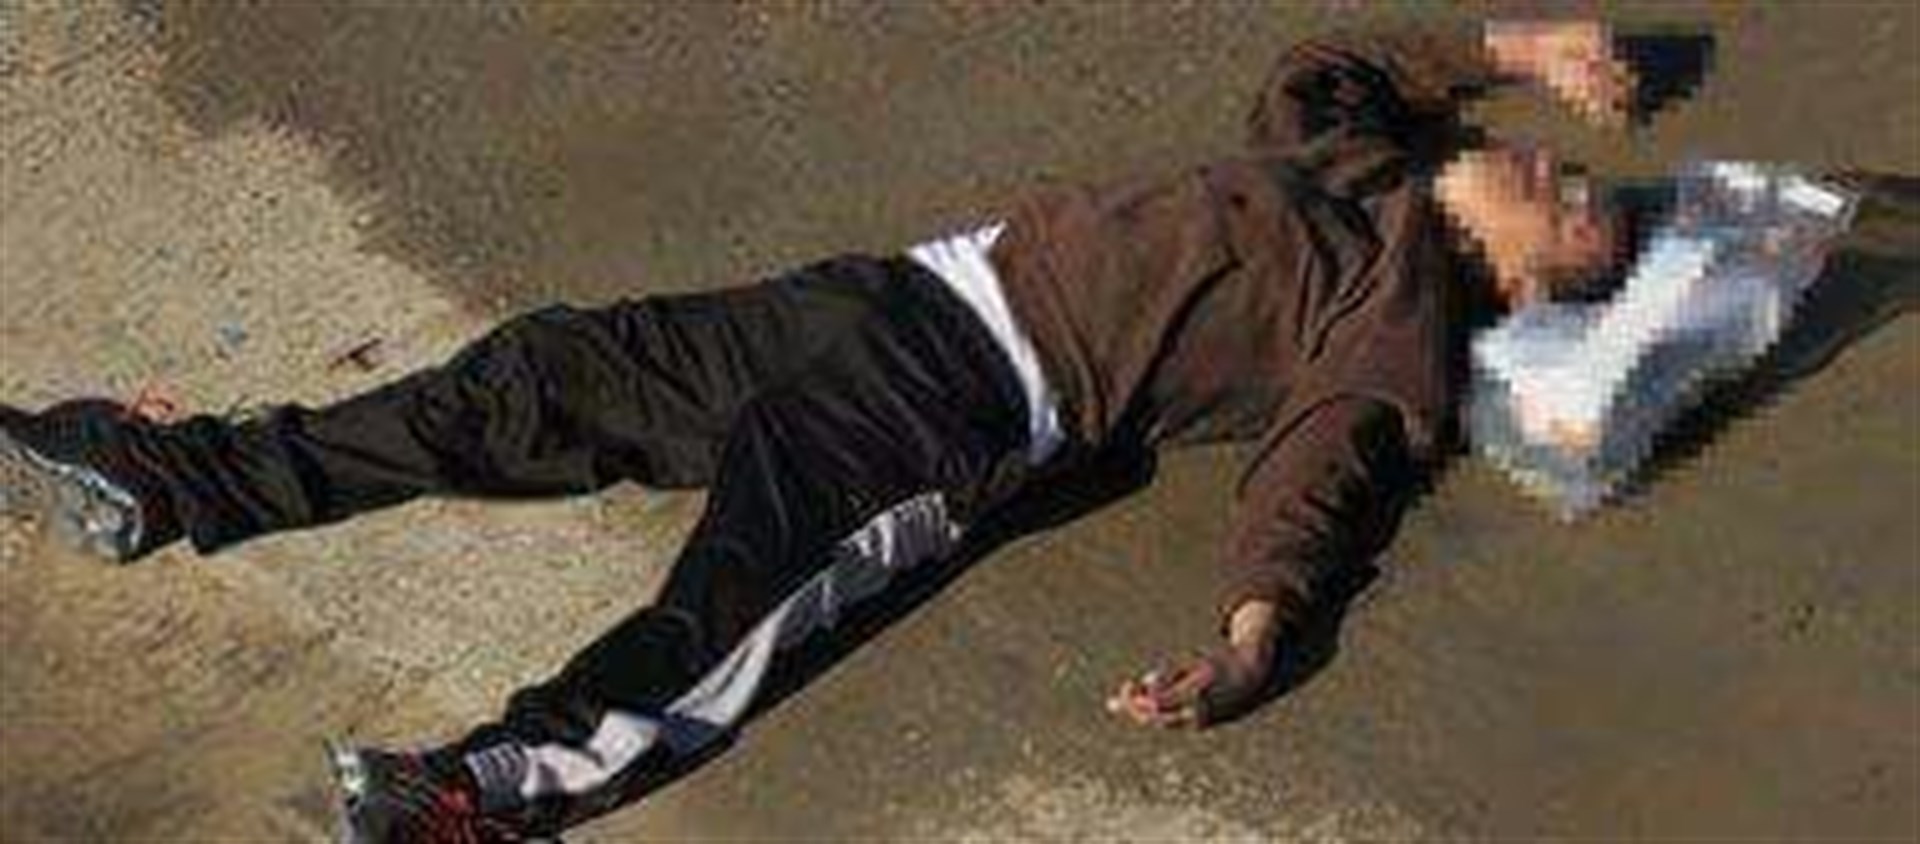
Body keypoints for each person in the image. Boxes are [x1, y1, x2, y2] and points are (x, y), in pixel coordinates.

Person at [0, 18, 1646, 843]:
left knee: (732, 605)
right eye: (1569, 166)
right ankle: (174, 478)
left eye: (1577, 211)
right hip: (886, 297)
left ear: (1526, 283)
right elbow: (1332, 64)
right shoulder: (1357, 168)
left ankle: (485, 793)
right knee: (539, 378)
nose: (1561, 175)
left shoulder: (1396, 322)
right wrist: (1512, 44)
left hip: (964, 408)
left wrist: (1247, 642)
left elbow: (1320, 485)